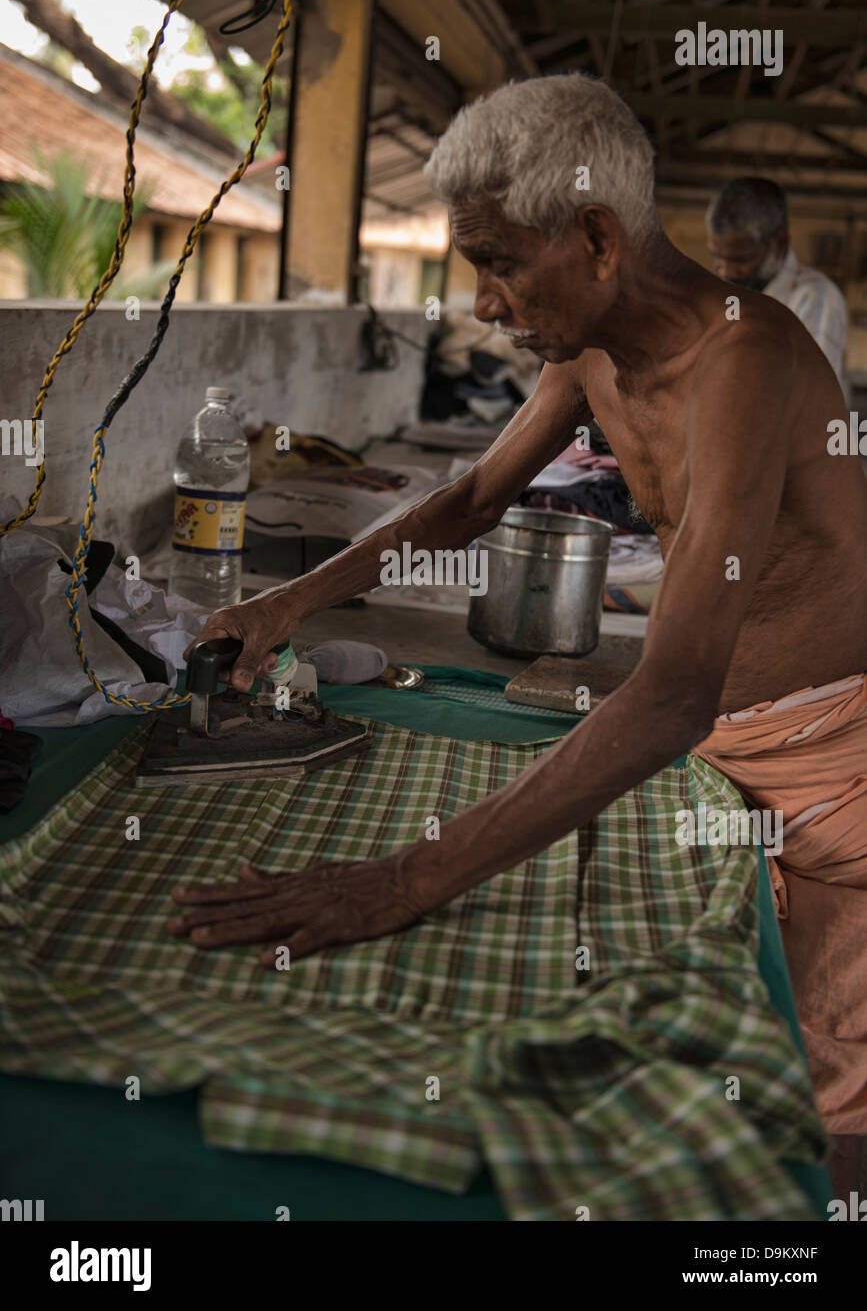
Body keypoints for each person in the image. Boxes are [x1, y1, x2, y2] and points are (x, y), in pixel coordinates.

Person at [170, 75, 867, 1134]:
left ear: (596, 237)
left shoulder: (746, 355)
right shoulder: (593, 350)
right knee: (697, 1058)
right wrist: (285, 605)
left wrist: (399, 882)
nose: (484, 302)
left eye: (498, 263)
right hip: (714, 760)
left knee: (814, 1105)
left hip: (835, 770)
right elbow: (466, 502)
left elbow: (673, 691)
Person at [707, 176, 849, 390]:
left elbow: (809, 397)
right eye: (717, 257)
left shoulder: (815, 297)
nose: (725, 271)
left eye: (740, 259)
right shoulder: (726, 299)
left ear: (780, 244)